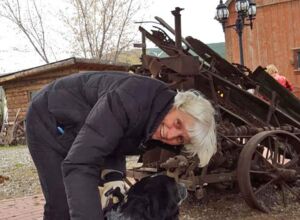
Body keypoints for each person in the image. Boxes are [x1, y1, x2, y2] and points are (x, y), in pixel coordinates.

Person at [26, 71, 217, 220]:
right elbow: (80, 164)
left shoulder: (157, 118)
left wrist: (114, 176)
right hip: (50, 119)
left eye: (180, 139)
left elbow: (115, 137)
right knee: (62, 205)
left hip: (86, 129)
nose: (170, 134)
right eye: (177, 123)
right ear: (177, 106)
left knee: (105, 200)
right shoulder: (129, 100)